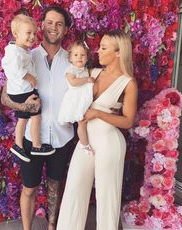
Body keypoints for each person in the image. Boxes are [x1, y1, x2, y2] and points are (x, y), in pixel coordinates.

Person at [1, 6, 74, 230]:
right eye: (49, 22)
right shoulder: (25, 56)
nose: (53, 27)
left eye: (59, 23)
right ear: (41, 25)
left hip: (62, 137)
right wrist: (25, 105)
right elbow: (5, 97)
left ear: (66, 29)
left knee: (55, 185)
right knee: (29, 188)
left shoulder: (73, 60)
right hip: (33, 141)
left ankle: (52, 226)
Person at [56, 30, 138, 230]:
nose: (97, 51)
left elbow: (128, 121)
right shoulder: (91, 73)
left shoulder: (128, 83)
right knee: (74, 188)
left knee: (106, 196)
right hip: (86, 140)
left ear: (119, 52)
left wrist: (98, 114)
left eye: (103, 47)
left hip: (110, 142)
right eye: (99, 46)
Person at [1, 14, 55, 162]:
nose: (32, 37)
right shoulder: (14, 52)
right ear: (16, 34)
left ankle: (18, 145)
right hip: (23, 91)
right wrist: (28, 76)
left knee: (23, 119)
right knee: (36, 115)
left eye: (34, 33)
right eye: (28, 33)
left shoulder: (23, 50)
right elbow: (11, 67)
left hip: (21, 91)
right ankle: (36, 146)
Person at [58, 41, 101, 155]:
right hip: (76, 99)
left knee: (86, 122)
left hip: (85, 98)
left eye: (82, 55)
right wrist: (87, 80)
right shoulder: (71, 70)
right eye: (76, 55)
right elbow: (73, 82)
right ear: (70, 58)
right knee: (81, 122)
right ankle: (84, 144)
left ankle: (89, 141)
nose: (79, 57)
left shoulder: (86, 70)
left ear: (87, 58)